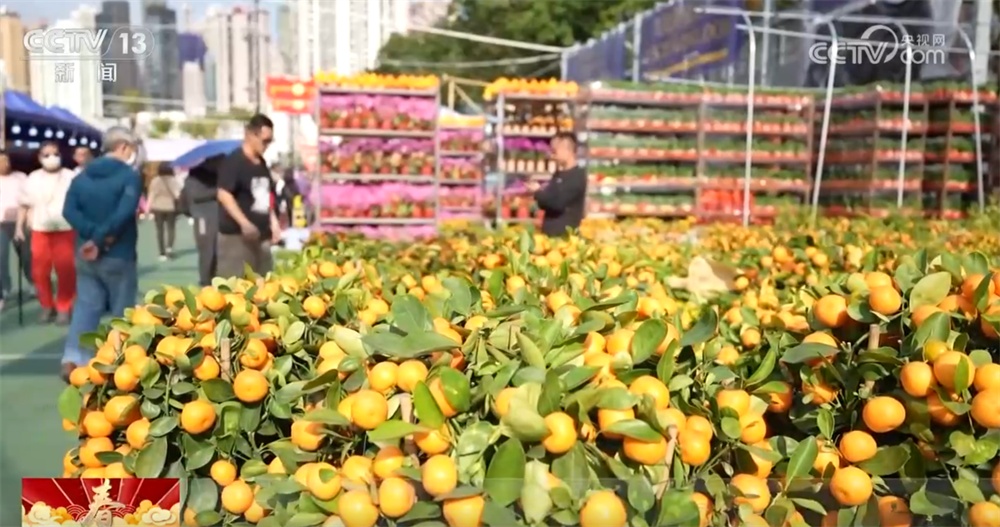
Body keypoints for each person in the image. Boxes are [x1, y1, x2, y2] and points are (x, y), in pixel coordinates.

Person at [60, 126, 142, 381]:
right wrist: (101, 238)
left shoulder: (82, 176)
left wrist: (90, 236)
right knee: (122, 310)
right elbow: (124, 212)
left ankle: (74, 358)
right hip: (118, 251)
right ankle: (117, 362)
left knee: (86, 306)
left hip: (85, 252)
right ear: (123, 147)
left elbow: (69, 211)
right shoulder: (129, 176)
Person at [15, 142, 77, 324]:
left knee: (65, 271)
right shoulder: (33, 178)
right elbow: (24, 205)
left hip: (65, 229)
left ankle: (64, 307)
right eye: (47, 154)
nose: (52, 158)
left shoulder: (70, 176)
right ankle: (47, 306)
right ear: (40, 157)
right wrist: (19, 227)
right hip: (40, 230)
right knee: (39, 272)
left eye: (55, 153)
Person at [216, 114, 282, 277]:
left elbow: (266, 195)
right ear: (250, 135)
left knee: (264, 287)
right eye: (264, 140)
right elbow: (224, 194)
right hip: (237, 238)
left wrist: (273, 222)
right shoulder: (235, 161)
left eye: (270, 141)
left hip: (262, 236)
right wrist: (244, 223)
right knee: (236, 289)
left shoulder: (262, 163)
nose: (267, 145)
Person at [528, 132, 587, 237]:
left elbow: (557, 203)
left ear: (567, 150)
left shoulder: (577, 176)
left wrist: (538, 192)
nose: (552, 155)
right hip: (550, 234)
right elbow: (545, 203)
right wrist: (541, 194)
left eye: (555, 151)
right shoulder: (558, 174)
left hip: (565, 237)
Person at [180, 154, 223, 286]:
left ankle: (214, 278)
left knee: (218, 251)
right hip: (203, 217)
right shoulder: (194, 177)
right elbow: (194, 195)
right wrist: (217, 192)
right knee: (207, 250)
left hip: (217, 216)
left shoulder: (218, 176)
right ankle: (205, 281)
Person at [0, 151, 33, 299]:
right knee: (1, 258)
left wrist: (30, 218)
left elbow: (29, 201)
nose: (4, 164)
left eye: (6, 160)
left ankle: (34, 283)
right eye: (1, 161)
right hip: (1, 224)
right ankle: (4, 288)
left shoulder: (21, 177)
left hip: (21, 223)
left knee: (27, 256)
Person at [147, 163, 181, 261]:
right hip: (170, 207)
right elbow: (177, 195)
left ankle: (162, 253)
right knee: (171, 228)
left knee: (160, 230)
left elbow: (151, 196)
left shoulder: (155, 181)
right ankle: (169, 247)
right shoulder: (174, 181)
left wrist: (147, 209)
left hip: (157, 207)